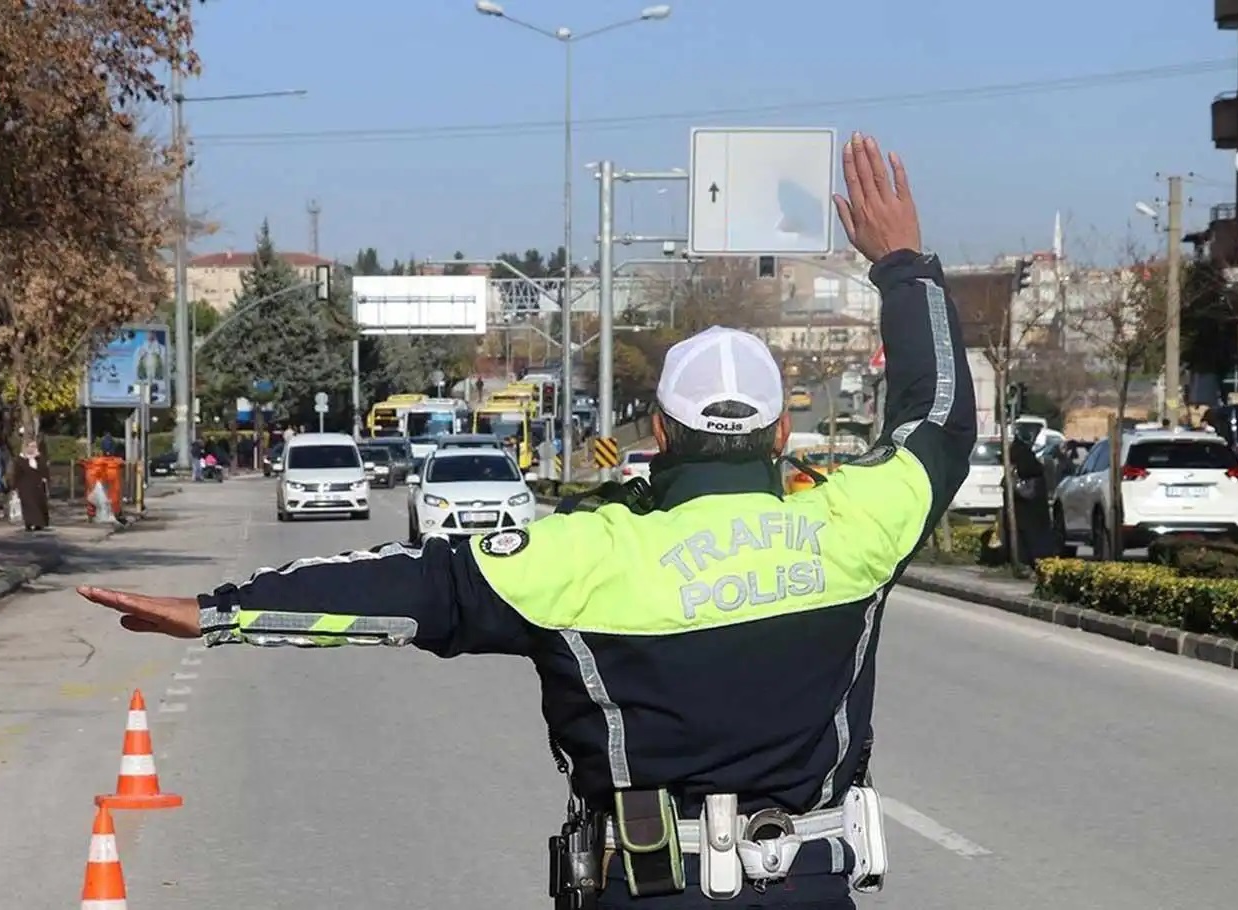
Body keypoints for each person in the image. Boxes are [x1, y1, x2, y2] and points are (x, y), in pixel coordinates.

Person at [76, 133, 976, 909]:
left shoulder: (583, 554)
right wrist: (903, 263)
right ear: (783, 432)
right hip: (811, 887)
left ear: (659, 431)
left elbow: (408, 586)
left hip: (645, 888)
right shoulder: (856, 523)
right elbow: (935, 417)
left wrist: (219, 610)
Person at [984, 439, 1058, 569]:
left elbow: (1027, 493)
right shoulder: (1018, 471)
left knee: (1033, 545)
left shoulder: (1032, 472)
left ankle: (1030, 564)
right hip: (1019, 520)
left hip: (1031, 520)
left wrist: (1012, 484)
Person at [10, 438, 52, 532]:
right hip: (25, 486)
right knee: (29, 505)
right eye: (31, 446)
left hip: (38, 486)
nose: (33, 448)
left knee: (39, 504)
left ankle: (39, 524)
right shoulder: (21, 459)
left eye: (35, 446)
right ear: (26, 447)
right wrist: (14, 487)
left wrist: (39, 458)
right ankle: (29, 523)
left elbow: (44, 471)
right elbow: (17, 474)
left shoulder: (39, 459)